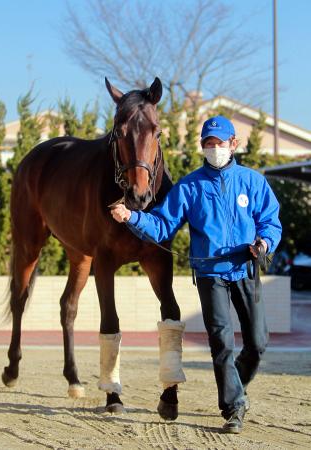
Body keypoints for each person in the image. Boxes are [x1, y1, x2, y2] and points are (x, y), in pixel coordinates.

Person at [111, 115, 282, 433]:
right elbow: (162, 225)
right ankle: (233, 406)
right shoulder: (190, 186)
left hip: (245, 266)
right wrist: (132, 217)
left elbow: (270, 221)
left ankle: (236, 385)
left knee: (257, 342)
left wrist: (264, 242)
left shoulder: (253, 182)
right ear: (202, 146)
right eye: (208, 144)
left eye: (220, 143)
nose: (214, 148)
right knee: (221, 341)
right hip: (209, 272)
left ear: (234, 144)